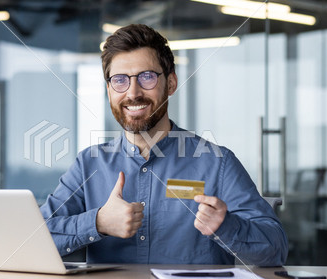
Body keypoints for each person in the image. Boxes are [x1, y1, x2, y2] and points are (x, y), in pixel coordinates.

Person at [40, 24, 287, 266]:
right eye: (120, 80)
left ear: (170, 83)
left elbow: (276, 249)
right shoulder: (88, 165)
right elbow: (34, 237)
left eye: (147, 77)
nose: (133, 92)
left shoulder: (217, 163)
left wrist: (226, 227)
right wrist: (97, 223)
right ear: (109, 89)